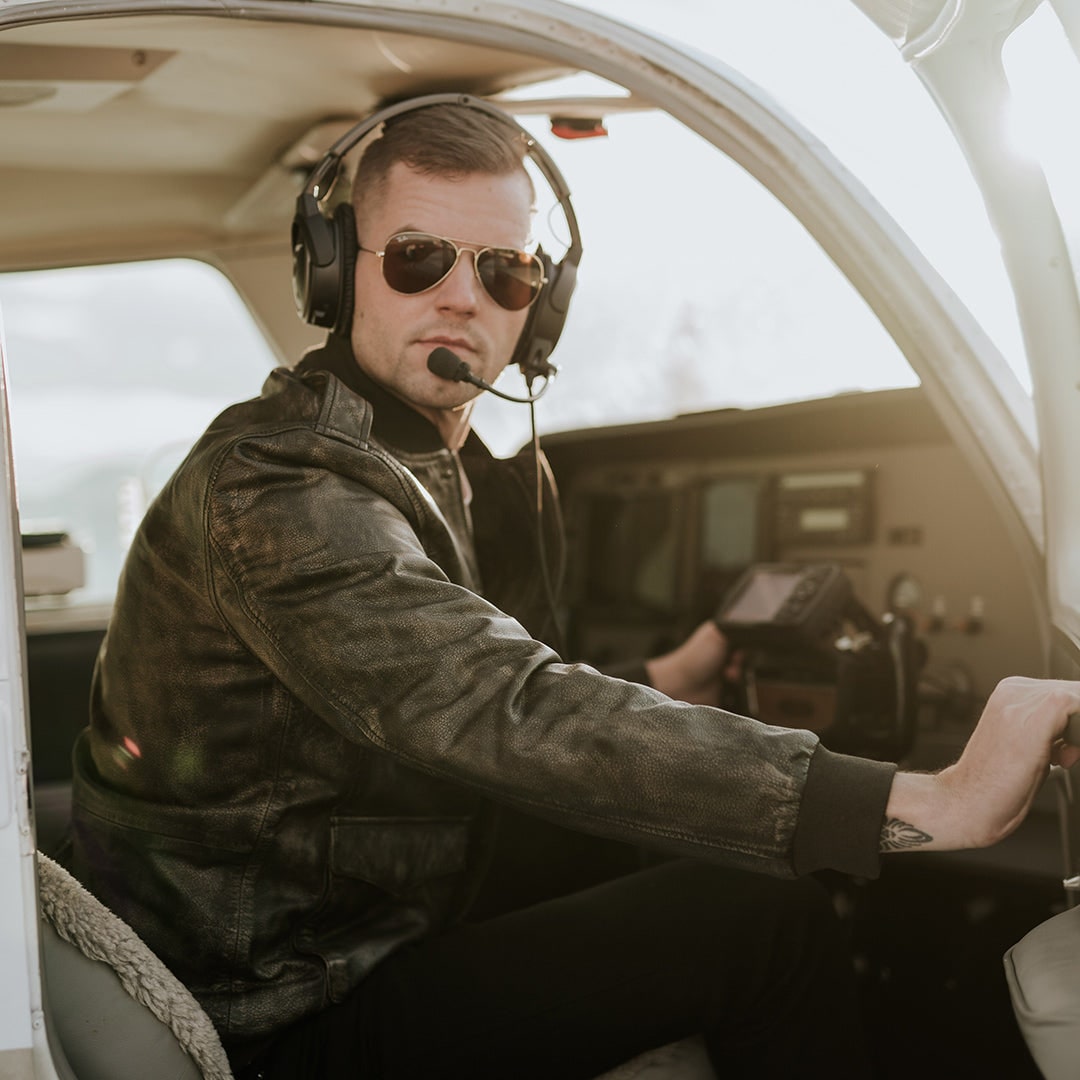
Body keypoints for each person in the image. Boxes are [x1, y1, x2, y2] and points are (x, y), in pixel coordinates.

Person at [69, 100, 1080, 1080]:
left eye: (506, 271)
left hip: (336, 923)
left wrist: (669, 675)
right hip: (283, 1014)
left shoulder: (398, 459)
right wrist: (930, 801)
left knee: (666, 859)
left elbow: (461, 679)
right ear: (333, 274)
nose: (463, 297)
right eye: (419, 258)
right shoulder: (279, 490)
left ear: (539, 304)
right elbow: (503, 706)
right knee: (763, 923)